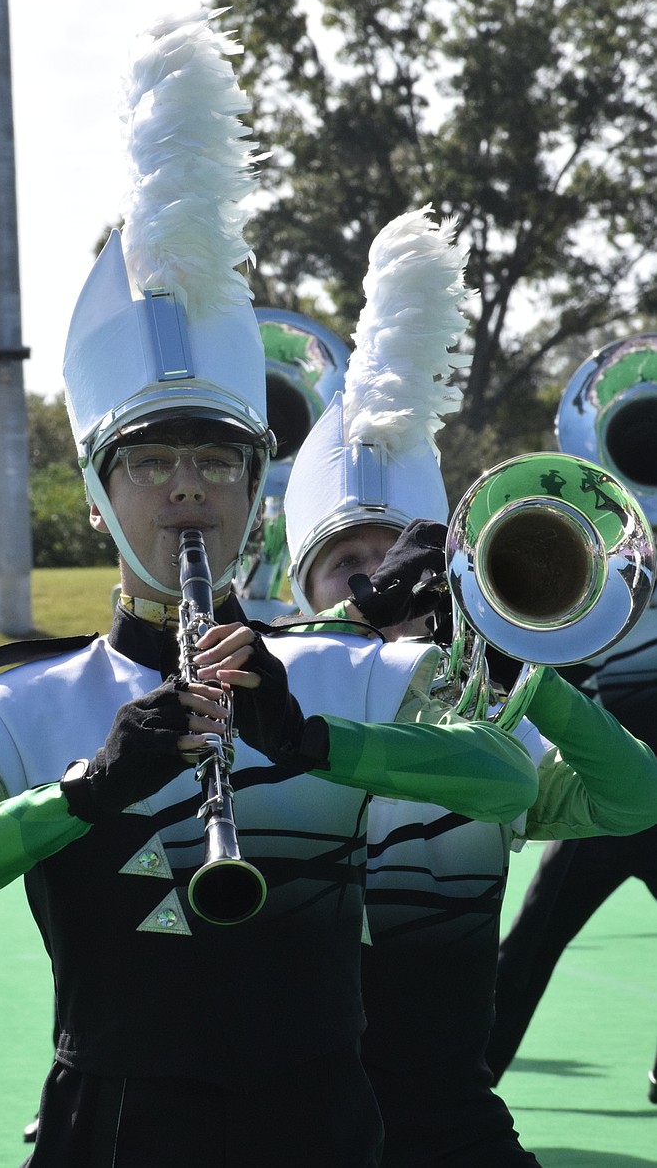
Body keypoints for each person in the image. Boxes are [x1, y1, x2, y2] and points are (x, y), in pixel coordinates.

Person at [0, 14, 540, 1168]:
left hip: (329, 1128)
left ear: (254, 490)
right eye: (148, 463)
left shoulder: (358, 676)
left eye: (216, 462)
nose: (184, 489)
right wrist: (92, 787)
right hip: (112, 1130)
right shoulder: (13, 706)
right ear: (97, 496)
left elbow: (507, 780)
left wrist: (318, 739)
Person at [268, 208, 657, 1167]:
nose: (371, 580)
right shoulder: (258, 699)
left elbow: (634, 794)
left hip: (451, 1123)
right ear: (300, 587)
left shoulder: (491, 720)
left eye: (392, 557)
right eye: (343, 565)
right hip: (284, 1122)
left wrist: (524, 665)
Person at [486, 335, 657, 1097]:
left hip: (617, 741)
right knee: (534, 936)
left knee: (535, 934)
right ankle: (463, 1079)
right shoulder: (606, 530)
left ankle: (464, 1077)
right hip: (613, 744)